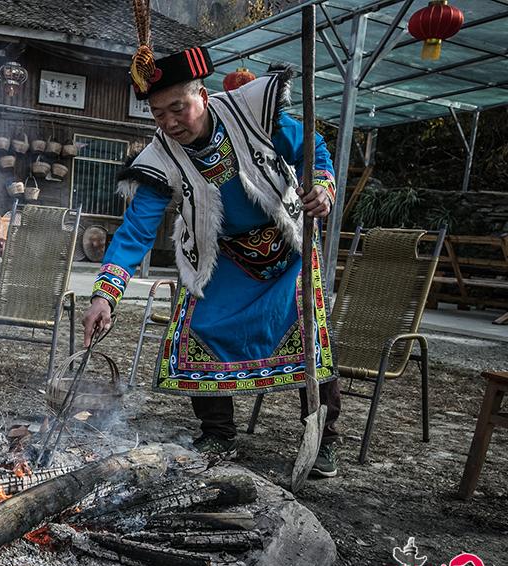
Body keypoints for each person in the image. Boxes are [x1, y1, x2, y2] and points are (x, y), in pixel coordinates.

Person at [82, 45, 342, 478]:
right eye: (158, 114)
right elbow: (136, 231)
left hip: (287, 244)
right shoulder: (159, 159)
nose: (169, 122)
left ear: (201, 94)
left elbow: (310, 145)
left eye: (177, 108)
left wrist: (322, 185)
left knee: (308, 329)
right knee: (199, 326)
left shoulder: (252, 113)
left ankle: (324, 437)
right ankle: (218, 431)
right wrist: (105, 297)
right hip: (222, 257)